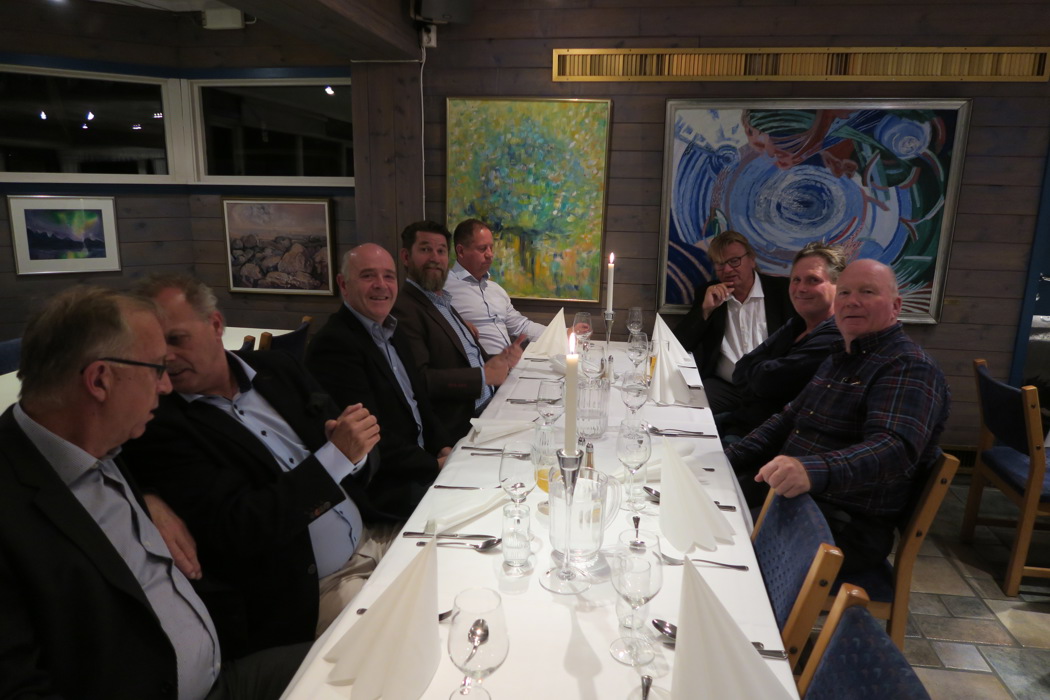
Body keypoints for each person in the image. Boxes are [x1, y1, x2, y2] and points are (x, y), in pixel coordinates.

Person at [0, 286, 307, 699]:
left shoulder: (101, 440)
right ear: (100, 380)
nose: (165, 387)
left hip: (224, 672)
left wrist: (149, 495)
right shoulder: (14, 503)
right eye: (156, 369)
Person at [122, 274, 388, 658]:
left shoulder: (278, 368)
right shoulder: (161, 425)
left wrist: (355, 452)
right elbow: (242, 527)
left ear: (216, 325)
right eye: (153, 348)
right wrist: (336, 458)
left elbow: (356, 449)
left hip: (371, 538)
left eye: (176, 339)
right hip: (316, 590)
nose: (166, 357)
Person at [725, 259, 950, 573]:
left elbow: (894, 450)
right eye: (844, 292)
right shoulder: (840, 356)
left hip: (845, 525)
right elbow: (788, 419)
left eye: (867, 292)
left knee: (719, 549)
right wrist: (727, 459)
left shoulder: (908, 366)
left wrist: (810, 470)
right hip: (797, 500)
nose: (852, 301)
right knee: (698, 509)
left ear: (895, 306)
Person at [306, 243, 452, 520]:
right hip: (389, 487)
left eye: (388, 276)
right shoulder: (334, 345)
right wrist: (435, 466)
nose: (381, 285)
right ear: (343, 284)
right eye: (368, 276)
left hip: (422, 465)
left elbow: (421, 403)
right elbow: (371, 438)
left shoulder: (393, 330)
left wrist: (445, 447)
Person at [392, 220, 522, 440]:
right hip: (463, 425)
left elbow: (465, 358)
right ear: (406, 257)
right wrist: (482, 376)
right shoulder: (404, 308)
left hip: (491, 405)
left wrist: (501, 361)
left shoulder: (441, 301)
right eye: (425, 249)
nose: (435, 258)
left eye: (441, 251)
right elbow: (420, 381)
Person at [717, 242, 845, 442]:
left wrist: (758, 373)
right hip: (741, 422)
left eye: (813, 280)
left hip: (766, 440)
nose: (801, 288)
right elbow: (741, 368)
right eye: (796, 280)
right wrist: (760, 374)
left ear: (840, 286)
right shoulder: (796, 325)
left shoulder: (836, 336)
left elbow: (767, 382)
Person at [674, 230, 796, 413]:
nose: (727, 270)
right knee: (686, 407)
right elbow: (679, 344)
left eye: (734, 261)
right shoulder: (708, 293)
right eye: (720, 264)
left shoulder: (781, 292)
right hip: (724, 387)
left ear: (752, 259)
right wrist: (705, 310)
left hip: (770, 388)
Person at [445, 218, 546, 355]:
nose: (490, 254)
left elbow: (521, 326)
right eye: (482, 249)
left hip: (509, 363)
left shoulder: (496, 289)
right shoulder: (443, 287)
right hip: (478, 365)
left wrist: (563, 333)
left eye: (491, 248)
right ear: (461, 251)